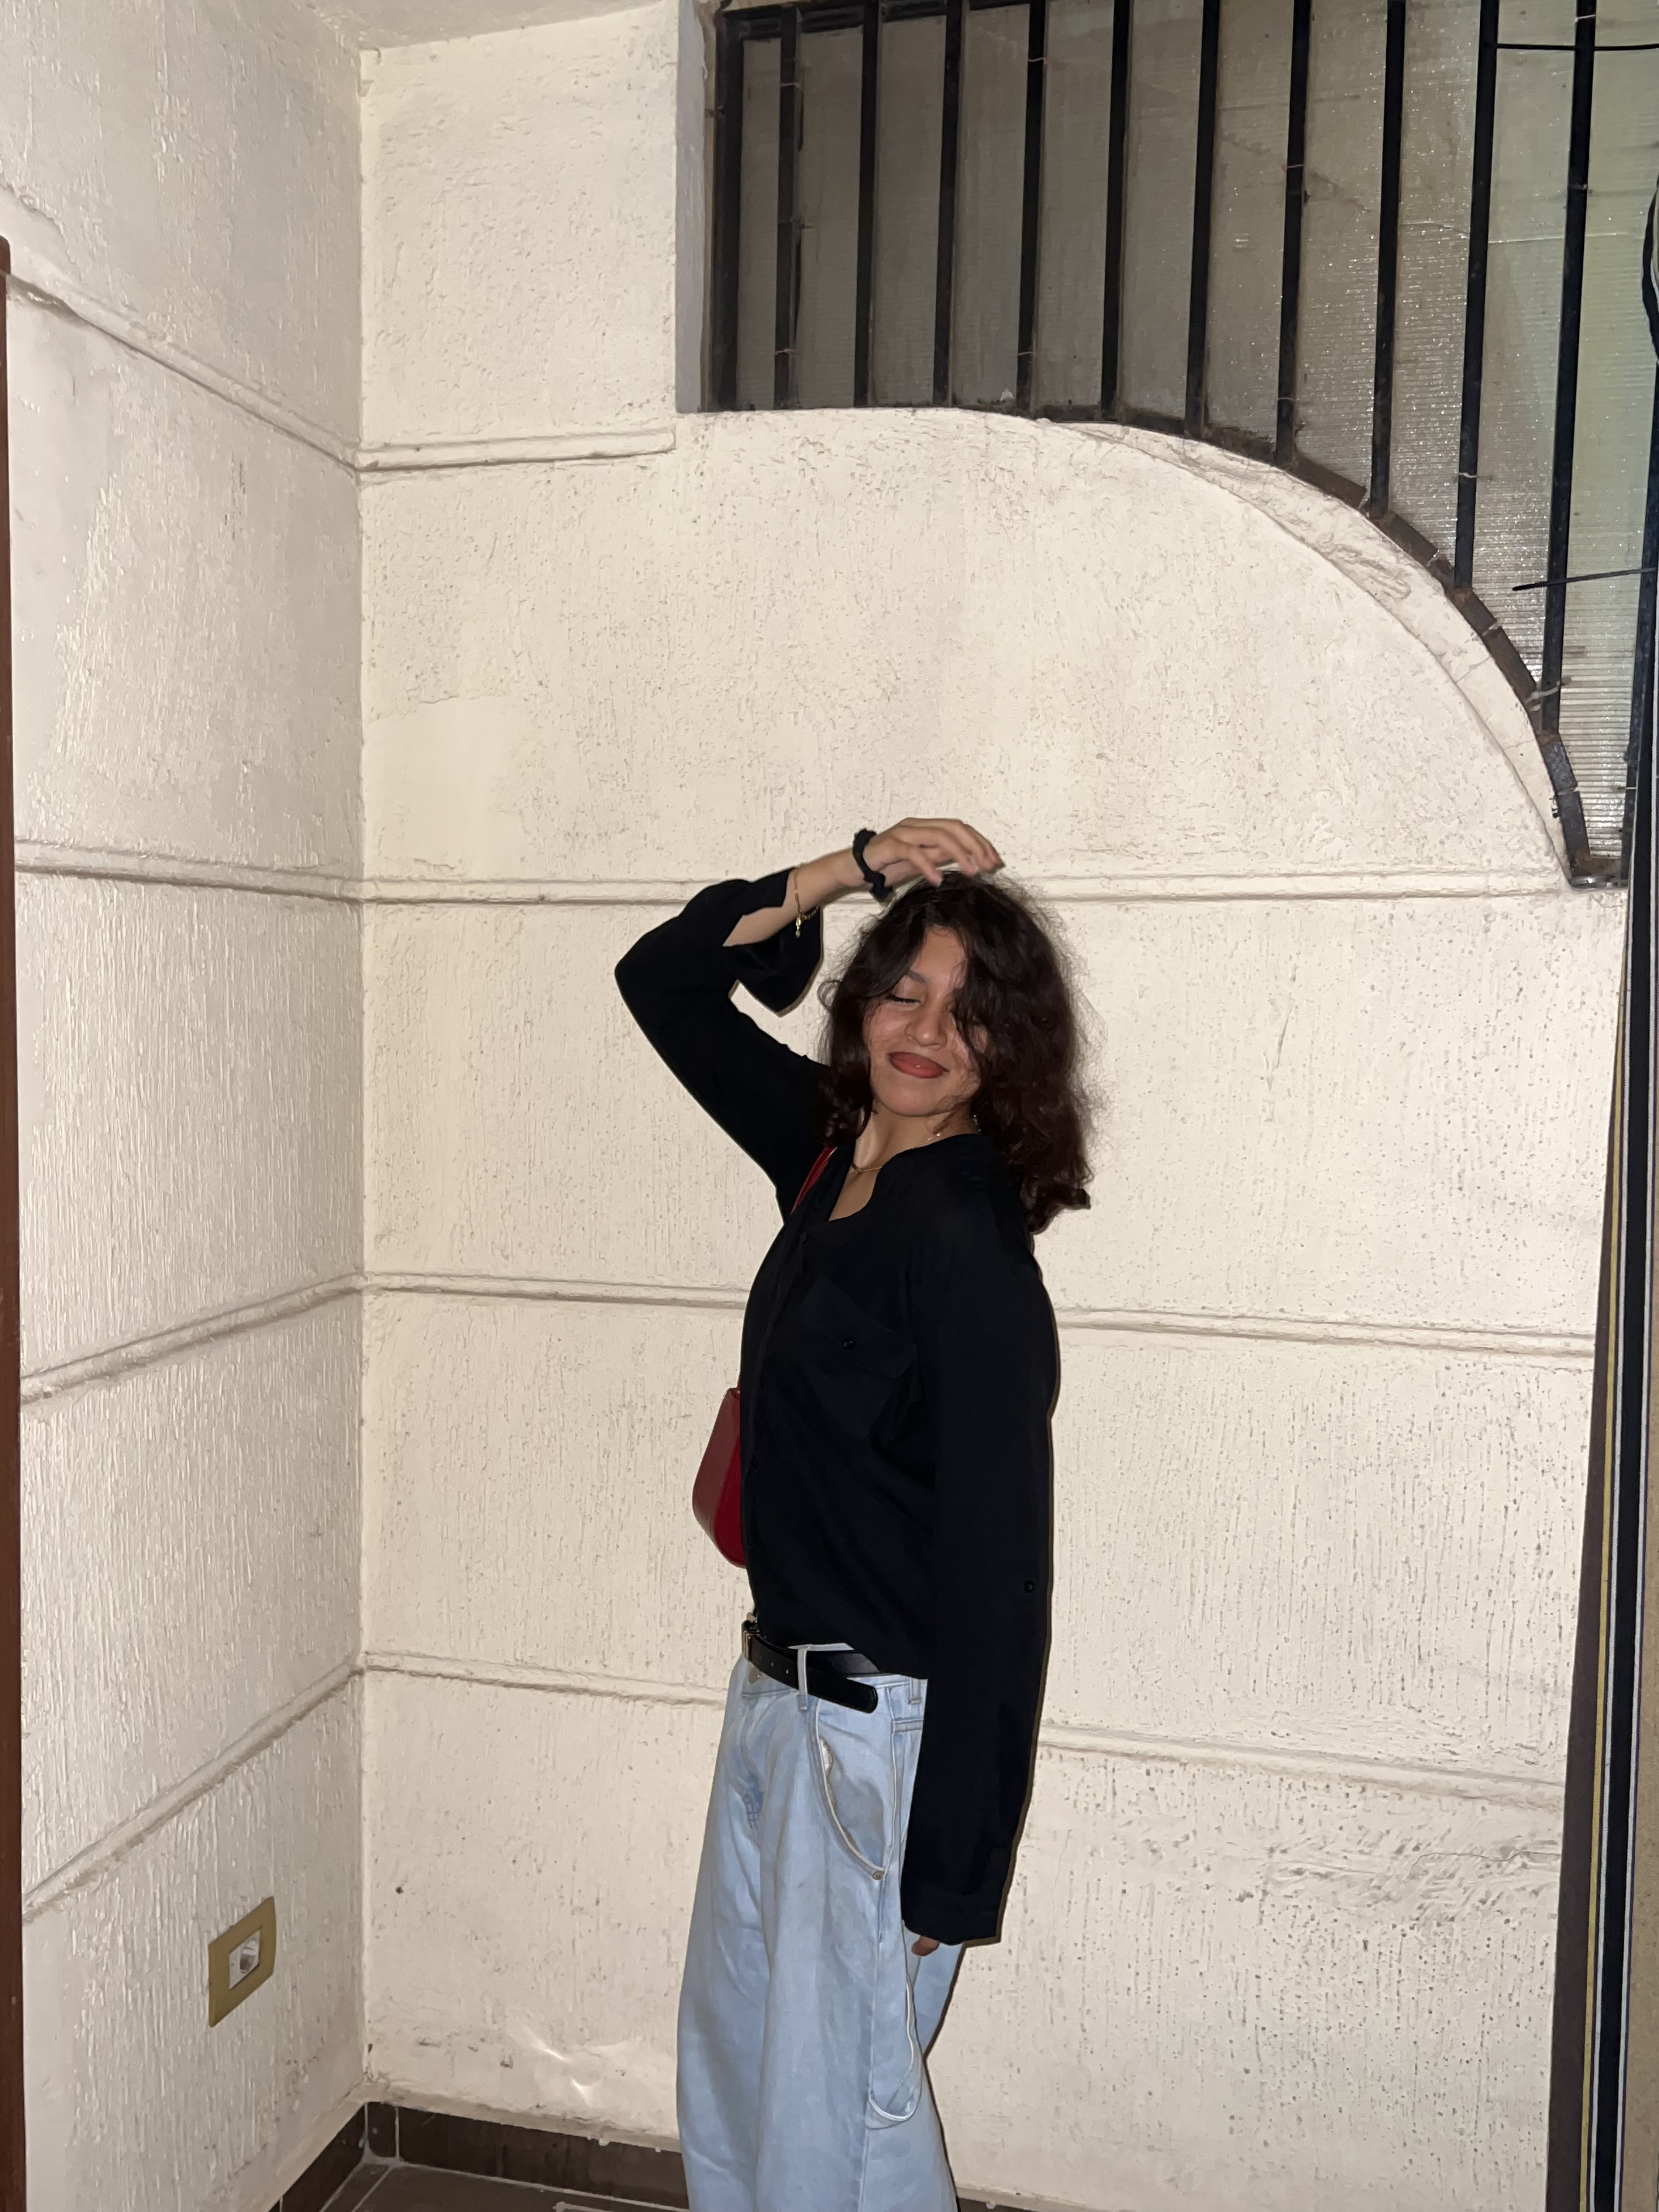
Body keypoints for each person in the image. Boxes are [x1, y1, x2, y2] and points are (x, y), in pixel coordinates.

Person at [614, 818, 1090, 2212]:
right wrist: (845, 870)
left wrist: (954, 1868)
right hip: (776, 1707)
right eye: (906, 991)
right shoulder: (830, 1162)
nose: (928, 1033)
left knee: (841, 2136)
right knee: (736, 2085)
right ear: (864, 998)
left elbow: (1003, 1579)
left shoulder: (966, 1247)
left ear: (1008, 1055)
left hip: (879, 1748)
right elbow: (662, 979)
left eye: (970, 1014)